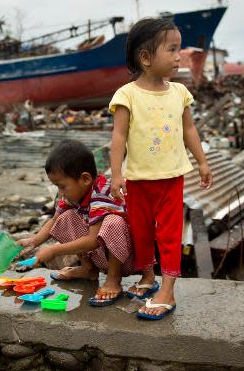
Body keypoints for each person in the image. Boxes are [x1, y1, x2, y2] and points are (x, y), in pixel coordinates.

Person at [109, 17, 214, 320]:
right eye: (171, 49)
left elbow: (190, 130)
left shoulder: (179, 92)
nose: (178, 56)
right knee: (140, 232)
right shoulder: (127, 95)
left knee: (169, 235)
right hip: (139, 179)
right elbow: (118, 137)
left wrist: (202, 162)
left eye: (178, 49)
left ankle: (167, 290)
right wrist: (116, 174)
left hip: (171, 178)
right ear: (145, 58)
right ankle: (148, 276)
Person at [20, 139, 135, 306]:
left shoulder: (103, 194)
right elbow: (54, 221)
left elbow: (93, 240)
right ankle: (88, 269)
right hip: (101, 255)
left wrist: (53, 250)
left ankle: (113, 278)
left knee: (113, 222)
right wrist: (34, 241)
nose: (60, 192)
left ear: (85, 179)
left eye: (62, 186)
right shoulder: (75, 194)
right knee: (65, 217)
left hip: (126, 258)